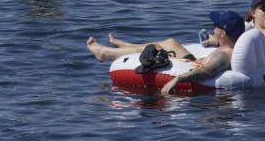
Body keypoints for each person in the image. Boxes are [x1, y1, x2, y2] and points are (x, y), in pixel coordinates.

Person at [86, 10, 243, 95]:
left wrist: (178, 79)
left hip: (189, 68)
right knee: (170, 43)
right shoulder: (226, 47)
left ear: (223, 34)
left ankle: (106, 53)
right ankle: (126, 45)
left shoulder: (223, 55)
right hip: (194, 60)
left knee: (159, 50)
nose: (213, 27)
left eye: (216, 25)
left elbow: (206, 72)